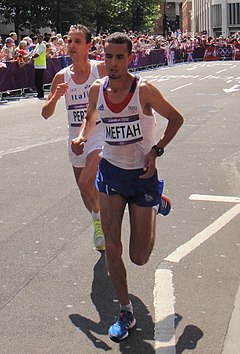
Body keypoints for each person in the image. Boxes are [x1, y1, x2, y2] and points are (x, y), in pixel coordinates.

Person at [71, 32, 184, 341]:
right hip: (110, 173)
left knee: (139, 256)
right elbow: (91, 118)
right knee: (112, 246)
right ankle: (125, 310)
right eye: (108, 57)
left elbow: (176, 119)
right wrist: (82, 136)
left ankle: (156, 201)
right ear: (103, 58)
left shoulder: (143, 91)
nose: (113, 63)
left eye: (120, 57)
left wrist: (156, 150)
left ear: (131, 58)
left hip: (142, 179)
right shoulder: (97, 89)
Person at [41, 24, 107, 251]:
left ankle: (105, 219)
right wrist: (56, 97)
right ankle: (99, 221)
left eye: (77, 41)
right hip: (74, 135)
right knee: (84, 189)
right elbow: (45, 114)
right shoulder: (62, 76)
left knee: (85, 181)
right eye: (69, 41)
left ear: (89, 45)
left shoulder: (101, 70)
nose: (71, 46)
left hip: (99, 132)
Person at [32, 34, 47, 99]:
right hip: (37, 64)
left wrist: (31, 57)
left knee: (39, 80)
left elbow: (37, 54)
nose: (39, 39)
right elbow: (33, 52)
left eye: (40, 38)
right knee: (37, 80)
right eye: (38, 38)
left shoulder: (42, 46)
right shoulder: (38, 45)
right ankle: (39, 93)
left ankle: (40, 94)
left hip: (41, 65)